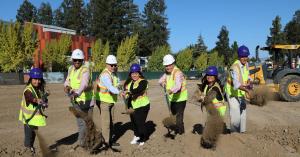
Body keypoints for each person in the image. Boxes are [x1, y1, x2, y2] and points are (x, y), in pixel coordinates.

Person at [64, 49, 93, 148]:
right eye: (75, 60)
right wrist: (67, 86)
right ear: (72, 59)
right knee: (81, 123)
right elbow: (68, 80)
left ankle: (84, 142)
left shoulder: (85, 70)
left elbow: (84, 84)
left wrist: (77, 93)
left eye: (79, 60)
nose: (77, 62)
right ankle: (83, 142)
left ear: (82, 60)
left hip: (87, 101)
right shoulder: (70, 68)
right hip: (76, 101)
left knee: (87, 123)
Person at [19, 68, 48, 155]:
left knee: (33, 135)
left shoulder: (39, 89)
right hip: (28, 119)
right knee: (29, 136)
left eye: (39, 79)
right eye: (35, 79)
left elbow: (44, 100)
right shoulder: (28, 89)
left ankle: (30, 147)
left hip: (35, 119)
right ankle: (28, 151)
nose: (37, 81)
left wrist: (45, 102)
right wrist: (37, 100)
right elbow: (30, 97)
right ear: (31, 79)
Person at [94, 55, 120, 148]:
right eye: (111, 65)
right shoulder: (105, 74)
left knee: (111, 121)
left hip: (111, 101)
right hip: (103, 102)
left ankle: (109, 140)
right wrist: (120, 92)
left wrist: (118, 88)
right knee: (106, 123)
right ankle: (106, 143)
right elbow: (110, 87)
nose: (113, 67)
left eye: (114, 65)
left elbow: (117, 84)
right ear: (107, 64)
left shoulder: (114, 74)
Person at [225, 45, 252, 133]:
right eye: (243, 56)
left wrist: (249, 81)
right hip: (232, 93)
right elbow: (236, 85)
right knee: (235, 112)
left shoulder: (246, 64)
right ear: (239, 56)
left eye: (246, 56)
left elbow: (248, 75)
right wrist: (248, 90)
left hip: (241, 93)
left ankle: (242, 132)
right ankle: (234, 133)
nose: (245, 58)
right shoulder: (234, 67)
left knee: (243, 112)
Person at [159, 54, 188, 135]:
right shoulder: (167, 73)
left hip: (181, 99)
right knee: (173, 115)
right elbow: (160, 81)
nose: (167, 67)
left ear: (173, 64)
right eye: (166, 66)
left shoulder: (178, 73)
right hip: (172, 99)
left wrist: (170, 91)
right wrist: (163, 83)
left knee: (179, 117)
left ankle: (181, 132)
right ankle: (177, 129)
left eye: (169, 65)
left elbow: (178, 86)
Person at [122, 63, 150, 146]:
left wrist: (129, 92)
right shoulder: (130, 83)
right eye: (132, 73)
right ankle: (136, 136)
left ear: (139, 73)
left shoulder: (143, 82)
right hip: (133, 106)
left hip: (143, 106)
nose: (134, 75)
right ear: (130, 74)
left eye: (136, 73)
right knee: (134, 122)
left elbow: (139, 89)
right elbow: (127, 93)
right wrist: (124, 94)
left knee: (140, 123)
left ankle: (143, 138)